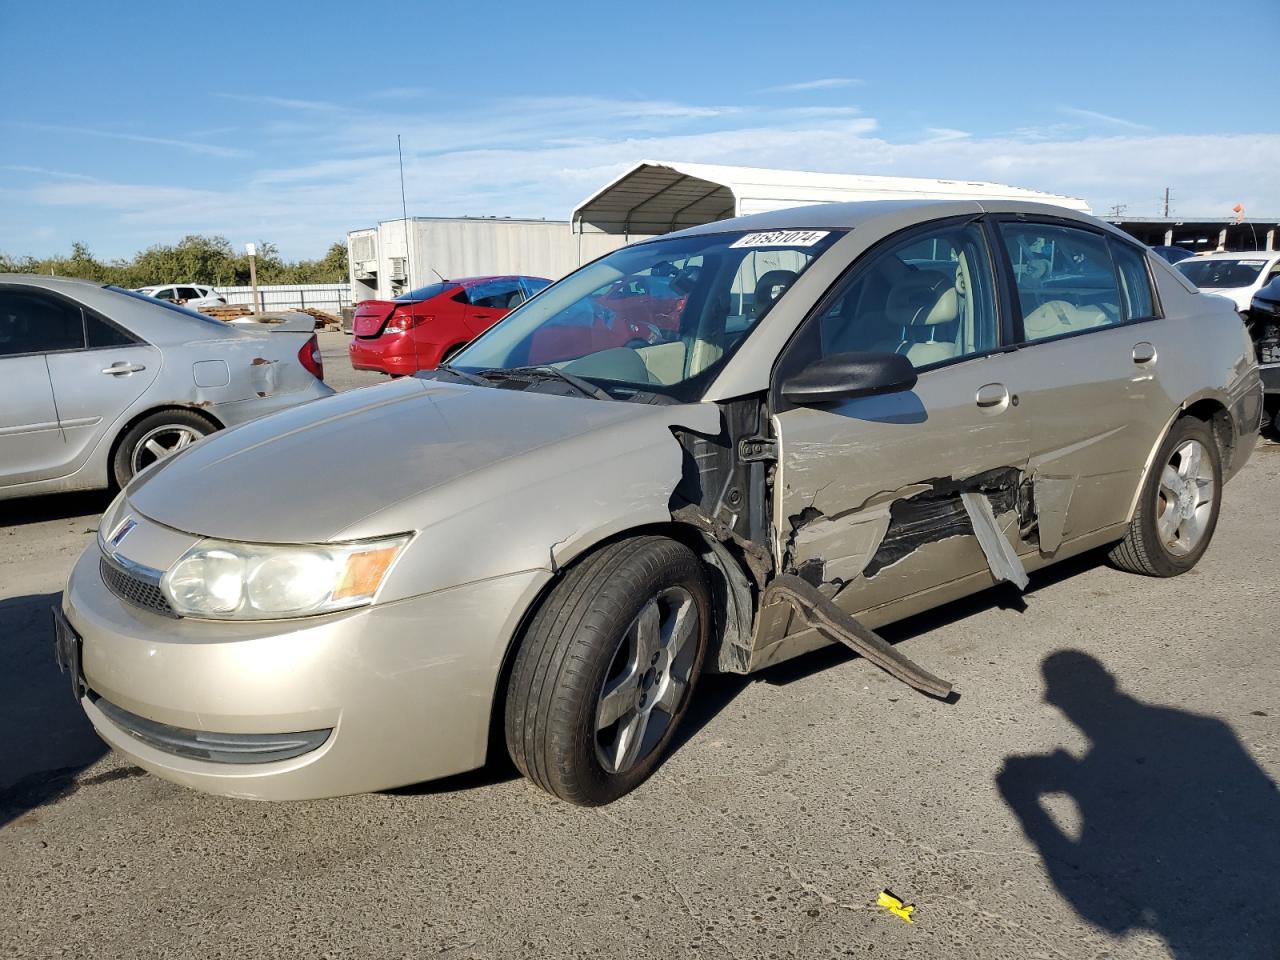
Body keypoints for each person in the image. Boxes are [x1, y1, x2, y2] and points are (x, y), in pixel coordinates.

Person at [998, 650, 1280, 958]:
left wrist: (1024, 804)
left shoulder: (1102, 769)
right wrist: (1080, 781)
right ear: (1110, 681)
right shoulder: (1207, 729)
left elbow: (1104, 912)